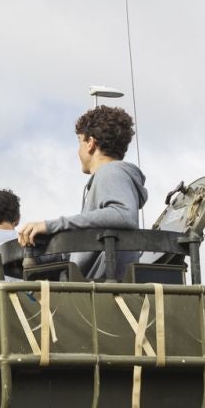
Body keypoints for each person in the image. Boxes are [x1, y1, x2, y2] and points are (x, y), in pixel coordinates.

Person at [15, 106, 146, 281]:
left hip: (98, 293)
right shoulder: (108, 177)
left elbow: (123, 214)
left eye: (79, 141)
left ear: (90, 143)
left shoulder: (111, 172)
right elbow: (87, 249)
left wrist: (52, 225)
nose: (78, 150)